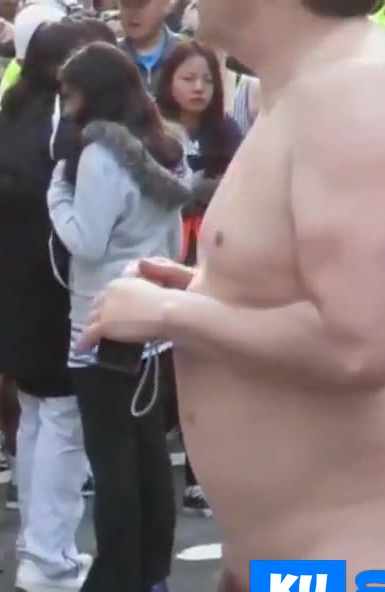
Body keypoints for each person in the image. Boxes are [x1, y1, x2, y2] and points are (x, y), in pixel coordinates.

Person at [79, 0, 385, 592]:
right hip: (287, 573)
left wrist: (173, 313)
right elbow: (311, 291)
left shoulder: (356, 95)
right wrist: (206, 293)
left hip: (362, 571)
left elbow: (360, 343)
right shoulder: (297, 93)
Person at [42, 41, 190, 592]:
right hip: (153, 316)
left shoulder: (99, 154)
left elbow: (88, 240)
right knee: (148, 454)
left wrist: (57, 196)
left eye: (70, 92)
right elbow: (174, 241)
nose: (66, 104)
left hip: (102, 318)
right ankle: (151, 578)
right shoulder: (165, 147)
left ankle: (112, 590)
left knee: (113, 463)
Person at [0, 20, 91, 592]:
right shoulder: (61, 123)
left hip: (11, 281)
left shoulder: (1, 118)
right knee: (62, 418)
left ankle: (38, 547)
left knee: (35, 413)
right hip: (54, 283)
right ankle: (50, 556)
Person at [151, 38, 242, 519]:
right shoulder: (151, 131)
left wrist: (194, 190)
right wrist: (198, 189)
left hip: (211, 260)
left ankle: (198, 477)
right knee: (159, 371)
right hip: (160, 257)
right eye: (188, 78)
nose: (199, 88)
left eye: (207, 79)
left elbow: (235, 188)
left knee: (203, 369)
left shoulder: (226, 133)